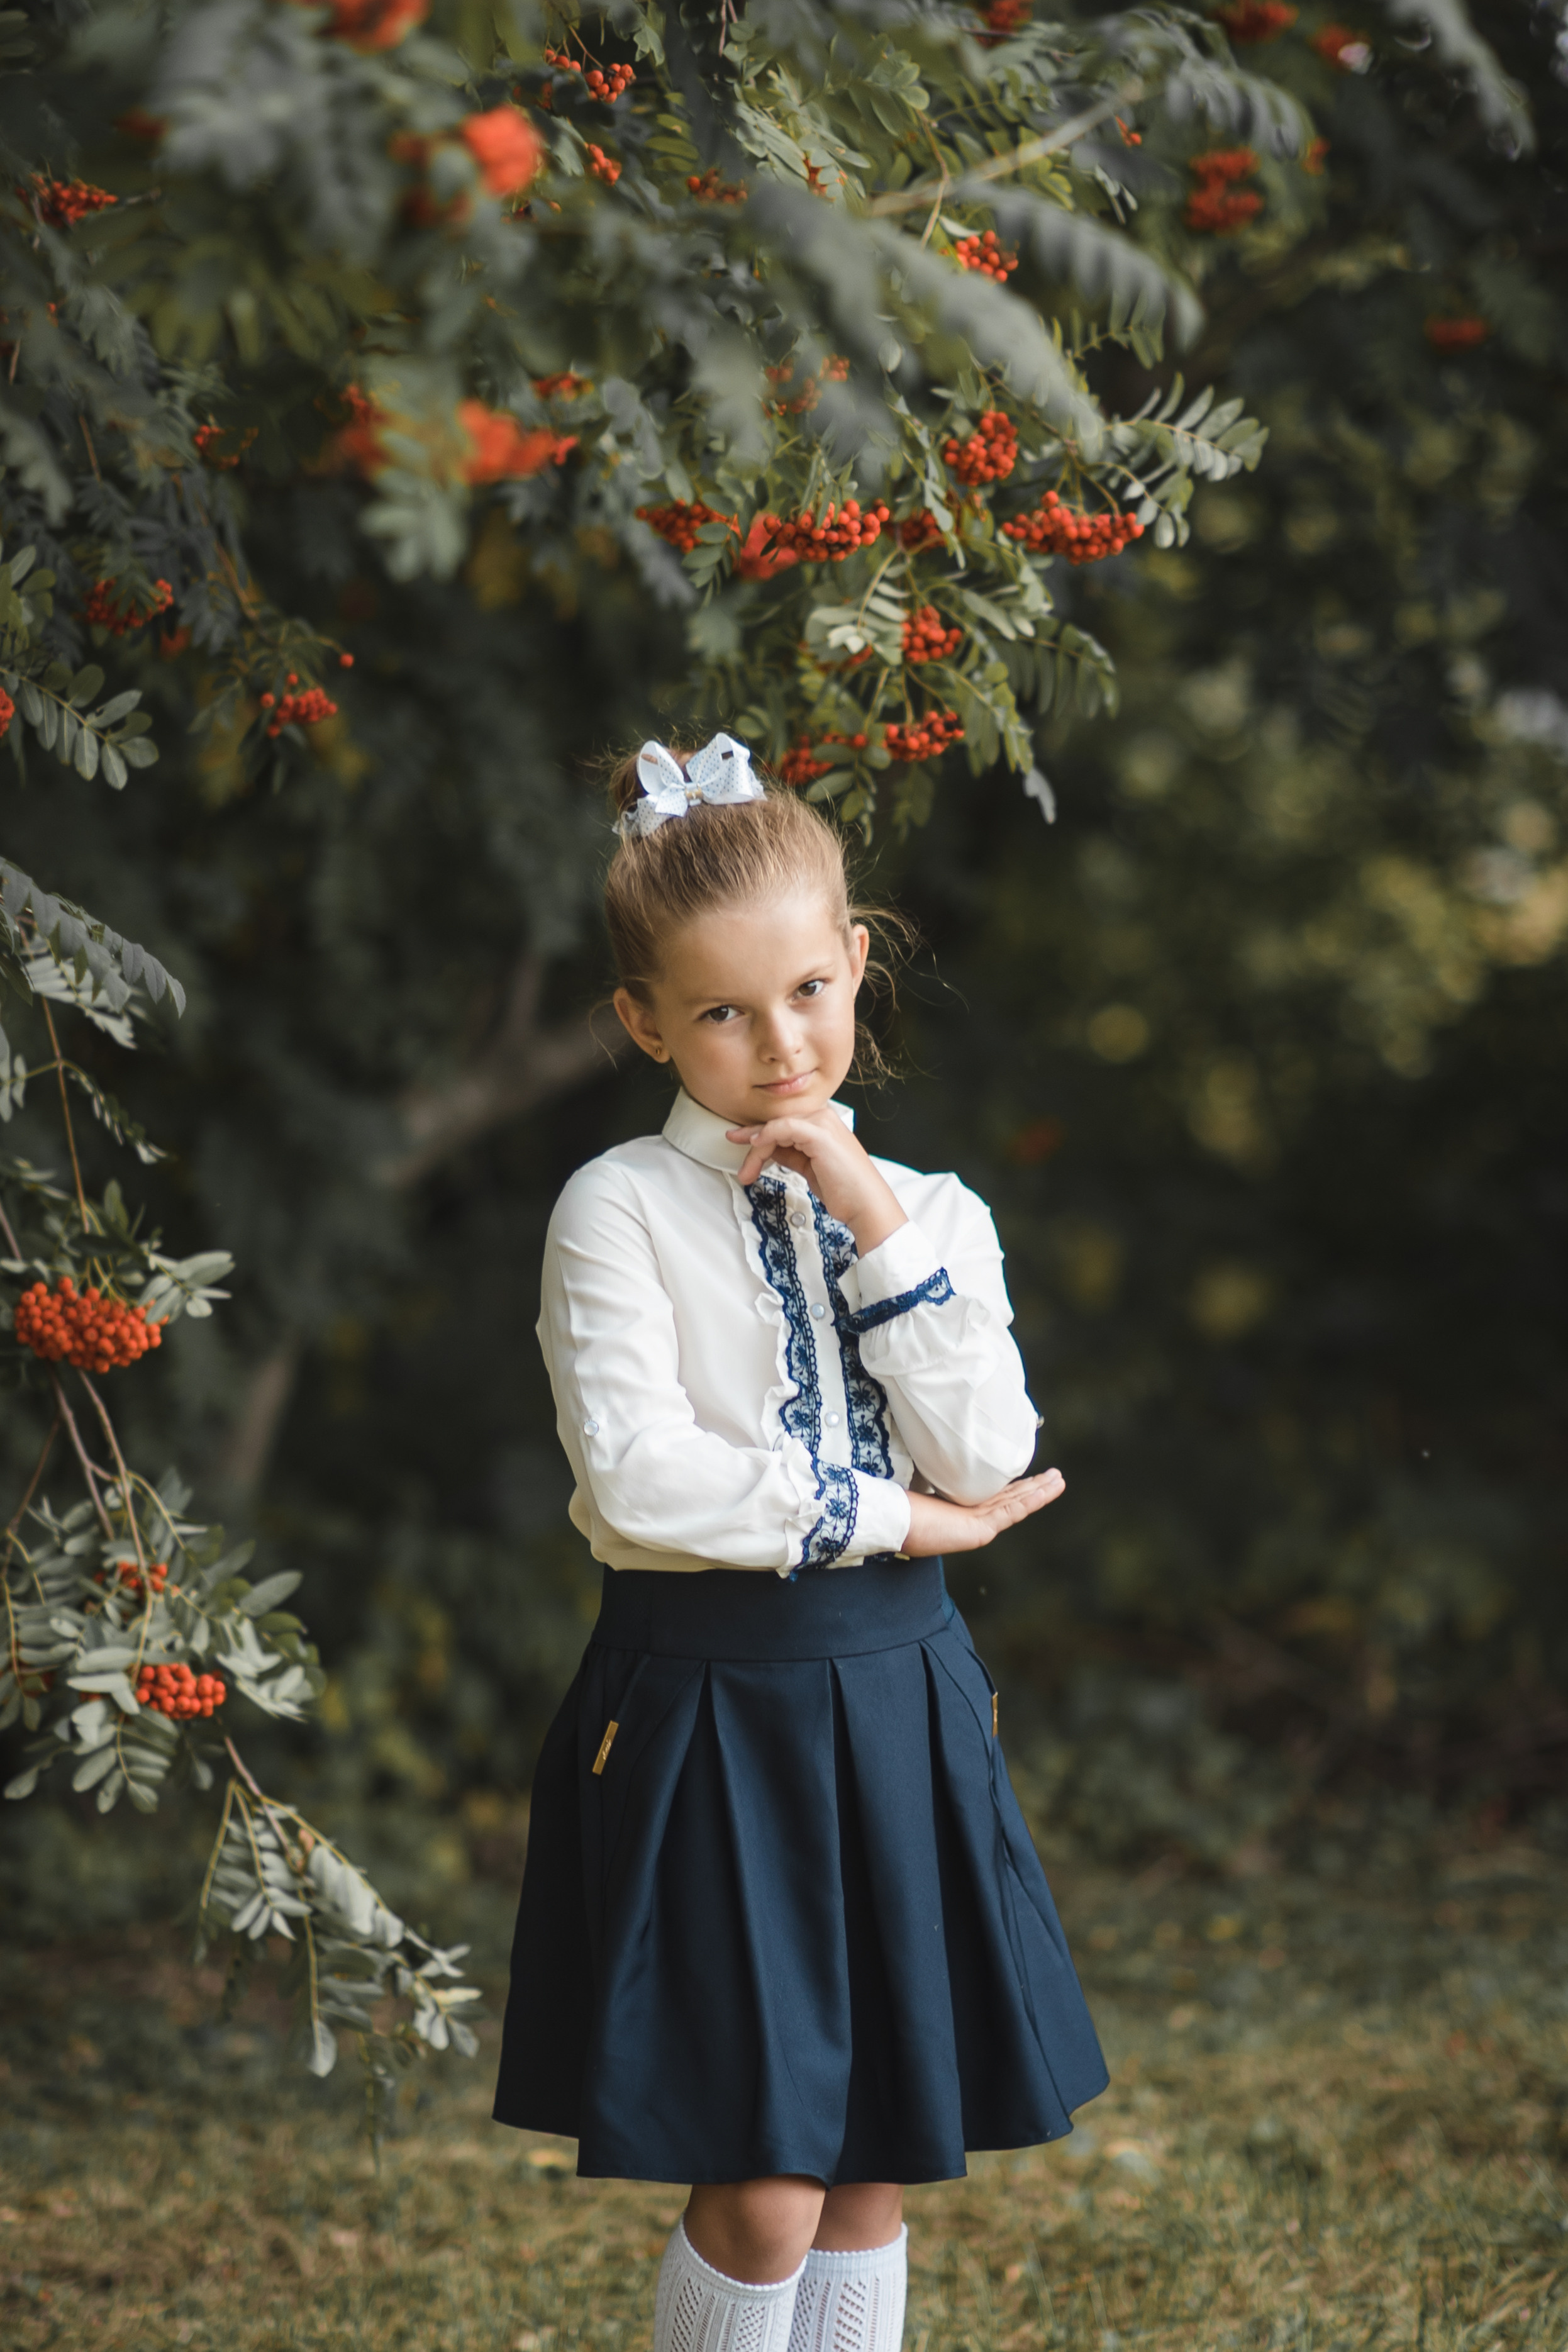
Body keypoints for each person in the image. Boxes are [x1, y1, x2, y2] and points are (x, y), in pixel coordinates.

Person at [493, 733, 1107, 2352]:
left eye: (807, 993)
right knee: (765, 2177)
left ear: (855, 961)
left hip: (898, 1697)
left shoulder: (936, 1213)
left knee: (868, 2171)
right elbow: (642, 1483)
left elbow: (990, 1448)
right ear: (643, 1020)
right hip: (709, 1707)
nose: (778, 1045)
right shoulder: (616, 1207)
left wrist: (867, 1217)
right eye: (719, 1012)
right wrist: (901, 1520)